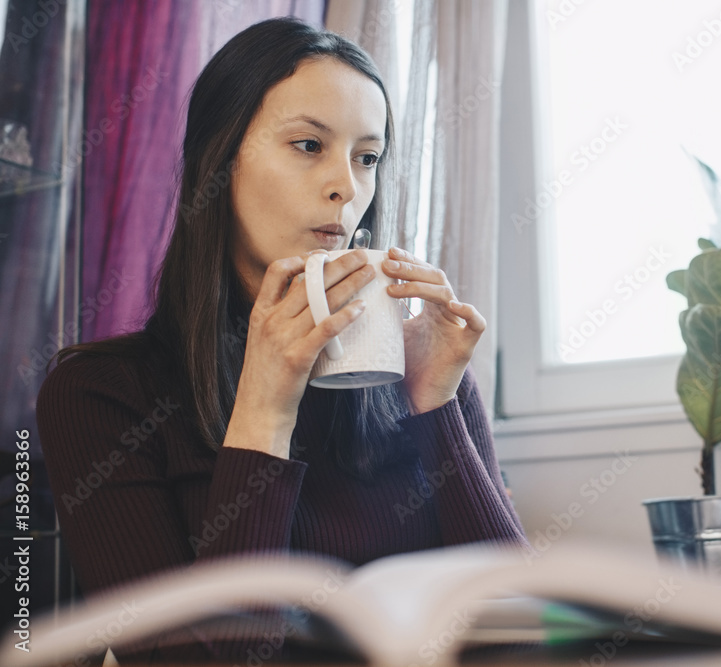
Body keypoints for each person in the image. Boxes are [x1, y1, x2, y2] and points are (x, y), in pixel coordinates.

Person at [37, 16, 527, 661]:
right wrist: (265, 411)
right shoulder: (98, 395)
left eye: (368, 157)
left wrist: (438, 405)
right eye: (307, 145)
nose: (346, 187)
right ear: (220, 158)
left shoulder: (421, 375)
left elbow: (524, 631)